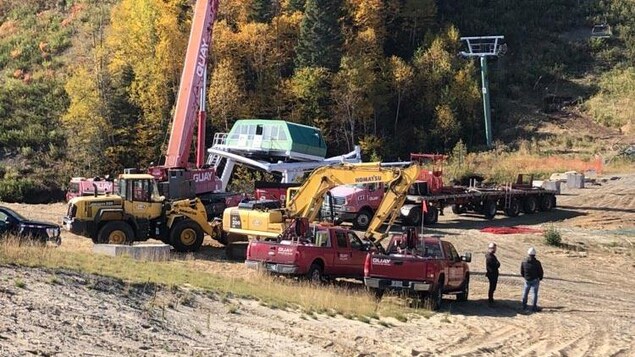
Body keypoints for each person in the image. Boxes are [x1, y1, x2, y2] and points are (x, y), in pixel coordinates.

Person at [520, 247, 544, 312]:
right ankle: (534, 307)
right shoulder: (537, 263)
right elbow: (540, 271)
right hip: (535, 280)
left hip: (527, 279)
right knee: (534, 294)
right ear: (534, 254)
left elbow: (522, 271)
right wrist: (540, 278)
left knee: (525, 293)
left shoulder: (524, 261)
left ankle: (523, 305)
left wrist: (525, 277)